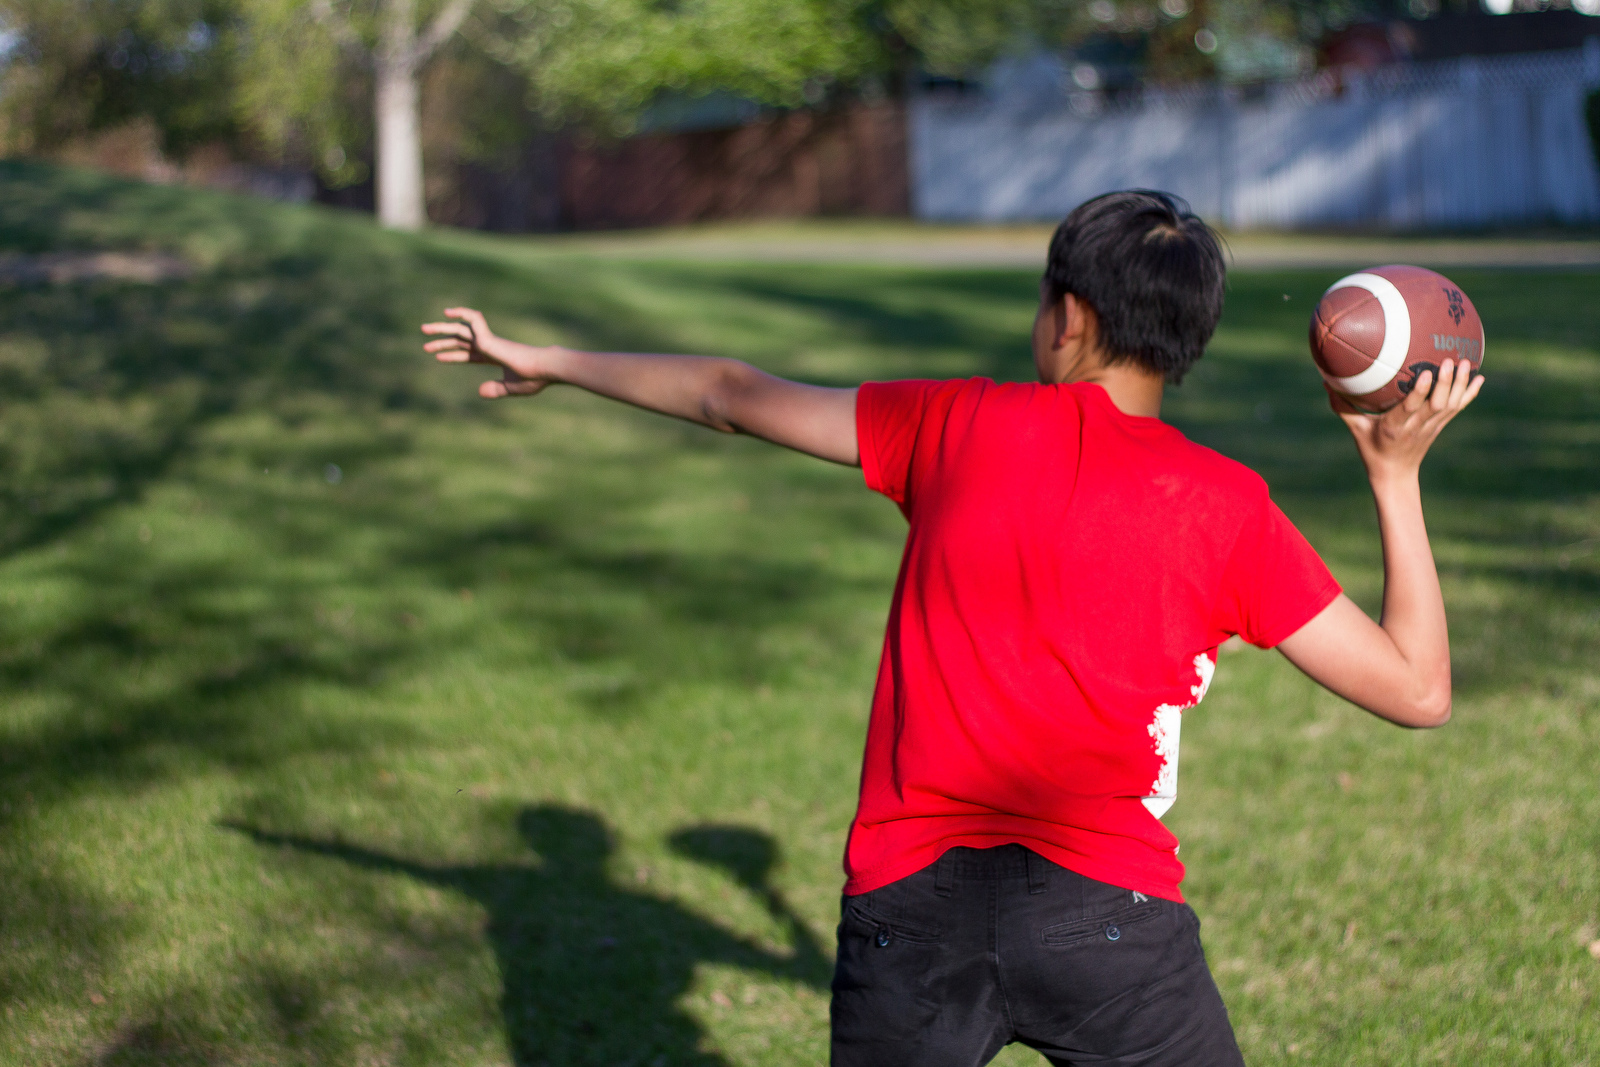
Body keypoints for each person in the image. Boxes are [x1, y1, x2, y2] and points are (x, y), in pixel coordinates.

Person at [421, 190, 1482, 1066]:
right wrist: (1392, 474)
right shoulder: (1225, 504)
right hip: (1106, 916)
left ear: (1065, 316)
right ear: (1187, 340)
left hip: (905, 913)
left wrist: (553, 356)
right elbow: (1417, 689)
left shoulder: (951, 424)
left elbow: (727, 393)